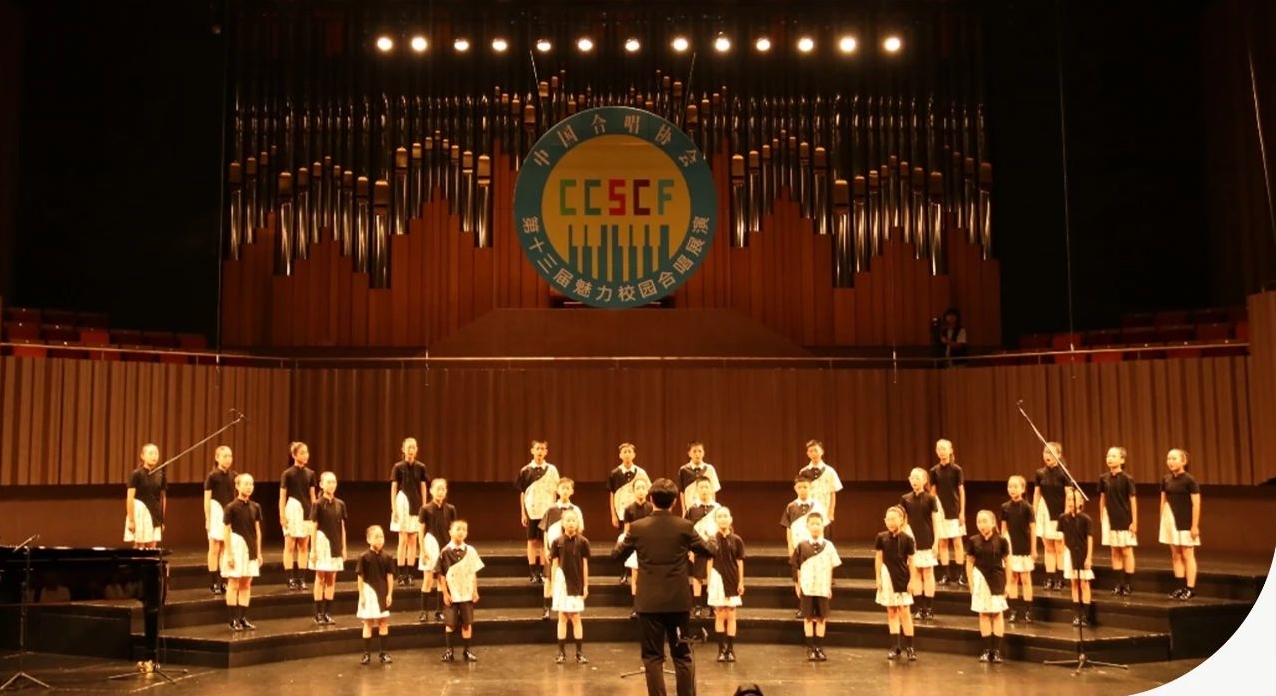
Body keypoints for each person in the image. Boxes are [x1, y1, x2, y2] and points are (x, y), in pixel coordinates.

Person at [612, 478, 716, 696]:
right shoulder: (685, 526)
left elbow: (616, 555)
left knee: (652, 657)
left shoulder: (638, 528)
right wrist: (713, 538)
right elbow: (708, 550)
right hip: (678, 601)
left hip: (649, 602)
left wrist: (624, 540)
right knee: (682, 656)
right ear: (675, 501)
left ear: (651, 499)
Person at [791, 511, 841, 661]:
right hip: (807, 587)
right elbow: (797, 567)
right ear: (807, 526)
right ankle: (810, 648)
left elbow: (831, 566)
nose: (815, 527)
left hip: (822, 587)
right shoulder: (802, 545)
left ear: (822, 526)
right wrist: (798, 585)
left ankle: (819, 647)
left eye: (818, 524)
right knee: (807, 618)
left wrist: (829, 586)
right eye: (812, 524)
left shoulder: (829, 546)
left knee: (821, 618)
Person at [875, 505, 918, 661]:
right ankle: (895, 646)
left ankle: (910, 648)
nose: (891, 522)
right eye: (888, 519)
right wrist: (878, 578)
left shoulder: (908, 539)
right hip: (887, 575)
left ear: (901, 519)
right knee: (892, 612)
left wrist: (912, 580)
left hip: (902, 576)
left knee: (905, 612)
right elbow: (878, 559)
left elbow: (912, 562)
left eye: (893, 519)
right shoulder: (881, 537)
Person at [966, 509, 1009, 663]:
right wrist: (971, 584)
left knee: (997, 614)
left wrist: (1008, 584)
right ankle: (986, 650)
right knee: (983, 614)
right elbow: (969, 563)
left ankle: (996, 651)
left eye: (985, 521)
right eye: (979, 521)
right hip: (980, 579)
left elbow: (1008, 562)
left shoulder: (1001, 541)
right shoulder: (973, 541)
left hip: (997, 579)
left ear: (992, 522)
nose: (982, 525)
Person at [548, 508, 591, 664]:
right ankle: (561, 653)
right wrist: (552, 586)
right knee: (562, 617)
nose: (571, 523)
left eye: (573, 520)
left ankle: (579, 653)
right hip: (561, 583)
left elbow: (585, 565)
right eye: (568, 520)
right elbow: (554, 565)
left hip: (577, 582)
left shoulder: (583, 542)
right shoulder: (557, 542)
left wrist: (585, 585)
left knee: (576, 617)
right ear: (563, 523)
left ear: (577, 522)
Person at [438, 519, 484, 663]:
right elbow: (441, 575)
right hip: (452, 593)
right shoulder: (445, 552)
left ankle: (467, 651)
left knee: (467, 622)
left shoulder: (471, 551)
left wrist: (475, 590)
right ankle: (449, 651)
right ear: (450, 532)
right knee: (450, 623)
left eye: (464, 529)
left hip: (466, 593)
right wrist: (445, 593)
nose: (461, 532)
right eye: (458, 529)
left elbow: (473, 572)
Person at [221, 473, 263, 631]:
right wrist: (229, 554)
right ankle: (233, 619)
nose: (249, 487)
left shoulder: (255, 507)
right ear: (237, 486)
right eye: (246, 484)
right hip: (236, 546)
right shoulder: (231, 507)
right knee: (234, 583)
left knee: (246, 583)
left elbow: (257, 531)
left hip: (251, 547)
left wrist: (259, 552)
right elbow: (226, 531)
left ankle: (243, 617)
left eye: (251, 484)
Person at [539, 477, 585, 620]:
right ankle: (546, 608)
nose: (565, 491)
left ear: (572, 491)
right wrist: (546, 549)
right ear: (557, 490)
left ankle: (570, 607)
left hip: (570, 549)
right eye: (562, 488)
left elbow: (580, 529)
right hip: (554, 548)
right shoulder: (551, 510)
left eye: (567, 488)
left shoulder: (575, 510)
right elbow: (545, 531)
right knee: (549, 577)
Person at [899, 468, 941, 620]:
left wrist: (936, 542)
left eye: (918, 478)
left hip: (927, 539)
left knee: (928, 573)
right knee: (915, 573)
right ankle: (918, 608)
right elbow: (902, 521)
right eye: (912, 478)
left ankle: (928, 608)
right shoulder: (905, 499)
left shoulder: (930, 499)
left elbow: (936, 522)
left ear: (924, 480)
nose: (914, 481)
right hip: (912, 540)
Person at [1160, 448, 1201, 600]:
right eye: (1169, 458)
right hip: (1170, 521)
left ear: (1184, 461)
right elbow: (1163, 501)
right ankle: (1180, 587)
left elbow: (1196, 504)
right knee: (1176, 555)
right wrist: (1163, 521)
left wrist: (1194, 526)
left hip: (1185, 521)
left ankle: (1190, 588)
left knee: (1187, 554)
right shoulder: (1166, 479)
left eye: (1174, 458)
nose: (1170, 461)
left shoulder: (1189, 480)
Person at [516, 439, 559, 584]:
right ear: (532, 451)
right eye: (537, 448)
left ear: (546, 452)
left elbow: (555, 491)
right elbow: (523, 493)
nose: (540, 451)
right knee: (532, 541)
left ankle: (542, 571)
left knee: (543, 541)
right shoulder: (525, 470)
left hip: (547, 511)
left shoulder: (552, 470)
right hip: (532, 511)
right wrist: (523, 513)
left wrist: (554, 511)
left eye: (542, 449)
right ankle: (533, 572)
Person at [706, 506, 745, 663]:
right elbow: (709, 561)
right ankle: (721, 650)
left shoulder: (737, 540)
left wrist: (741, 581)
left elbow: (739, 561)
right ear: (716, 520)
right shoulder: (712, 540)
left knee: (731, 614)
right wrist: (709, 582)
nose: (723, 519)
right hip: (717, 578)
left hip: (732, 578)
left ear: (730, 519)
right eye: (720, 516)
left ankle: (730, 649)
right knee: (720, 614)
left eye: (725, 516)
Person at [390, 437, 430, 587]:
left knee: (413, 539)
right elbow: (394, 488)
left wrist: (424, 506)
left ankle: (410, 574)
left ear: (417, 449)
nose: (411, 450)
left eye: (413, 447)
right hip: (402, 502)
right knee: (403, 540)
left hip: (416, 503)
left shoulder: (421, 467)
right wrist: (394, 509)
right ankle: (401, 574)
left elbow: (423, 487)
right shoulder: (398, 467)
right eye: (408, 447)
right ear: (403, 449)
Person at [1098, 446, 1138, 595]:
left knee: (1126, 551)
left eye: (1114, 456)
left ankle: (1128, 584)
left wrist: (1134, 521)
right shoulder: (1104, 478)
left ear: (1122, 459)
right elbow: (1102, 498)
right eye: (1108, 456)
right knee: (1114, 551)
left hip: (1124, 517)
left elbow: (1133, 501)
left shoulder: (1127, 478)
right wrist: (1102, 516)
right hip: (1110, 517)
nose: (1110, 458)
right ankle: (1119, 583)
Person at [309, 471, 347, 626]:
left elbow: (342, 527)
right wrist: (313, 549)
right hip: (322, 542)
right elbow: (313, 527)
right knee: (320, 578)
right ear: (321, 484)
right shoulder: (317, 504)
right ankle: (318, 613)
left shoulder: (340, 504)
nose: (331, 485)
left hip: (335, 544)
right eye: (328, 482)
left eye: (334, 482)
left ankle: (327, 613)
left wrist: (344, 547)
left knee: (331, 578)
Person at [609, 442, 650, 583]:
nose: (627, 454)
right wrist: (613, 514)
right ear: (620, 455)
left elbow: (648, 490)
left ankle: (641, 572)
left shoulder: (641, 472)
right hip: (623, 513)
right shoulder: (615, 473)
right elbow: (612, 495)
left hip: (639, 512)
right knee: (625, 543)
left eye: (629, 452)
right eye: (624, 452)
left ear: (634, 454)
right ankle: (624, 573)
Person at [417, 478, 457, 623]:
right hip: (430, 544)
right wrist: (422, 551)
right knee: (428, 579)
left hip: (445, 545)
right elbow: (421, 531)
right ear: (431, 491)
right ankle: (423, 611)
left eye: (443, 489)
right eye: (437, 489)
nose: (440, 492)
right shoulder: (425, 509)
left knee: (442, 579)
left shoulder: (450, 509)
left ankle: (439, 611)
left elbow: (453, 528)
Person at [280, 442, 318, 591]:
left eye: (306, 452)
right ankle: (290, 578)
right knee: (290, 545)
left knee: (303, 546)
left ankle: (301, 578)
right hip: (292, 509)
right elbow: (282, 496)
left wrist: (315, 513)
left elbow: (313, 495)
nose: (305, 455)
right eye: (302, 453)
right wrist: (282, 515)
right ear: (294, 455)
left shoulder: (310, 474)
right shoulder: (287, 474)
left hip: (307, 511)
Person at [929, 438, 966, 586]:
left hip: (954, 509)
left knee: (957, 542)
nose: (941, 452)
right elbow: (933, 492)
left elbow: (961, 491)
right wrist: (932, 511)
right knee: (943, 543)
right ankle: (946, 574)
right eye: (939, 449)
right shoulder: (934, 471)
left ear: (950, 450)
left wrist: (962, 512)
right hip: (940, 510)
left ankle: (960, 574)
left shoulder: (957, 469)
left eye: (944, 448)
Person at [1000, 475, 1037, 623]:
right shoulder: (1005, 507)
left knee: (1026, 579)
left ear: (1023, 489)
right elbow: (1003, 529)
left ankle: (1028, 611)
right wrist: (1002, 548)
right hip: (1011, 546)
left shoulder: (1027, 507)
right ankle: (1013, 610)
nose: (1012, 489)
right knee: (1012, 578)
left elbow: (1033, 529)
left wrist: (1033, 549)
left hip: (1024, 546)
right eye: (1010, 486)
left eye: (1015, 486)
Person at [356, 525, 395, 665]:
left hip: (382, 593)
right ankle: (366, 654)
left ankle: (383, 653)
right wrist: (361, 595)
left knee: (383, 622)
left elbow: (390, 577)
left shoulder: (387, 557)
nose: (379, 539)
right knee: (368, 622)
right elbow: (360, 577)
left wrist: (389, 594)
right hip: (369, 592)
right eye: (376, 537)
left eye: (381, 536)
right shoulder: (364, 557)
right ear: (368, 539)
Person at [1033, 442, 1069, 590]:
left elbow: (1068, 495)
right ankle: (1050, 578)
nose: (1047, 455)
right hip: (1045, 512)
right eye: (1045, 452)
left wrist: (1066, 514)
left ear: (1059, 455)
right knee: (1048, 548)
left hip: (1060, 512)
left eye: (1050, 452)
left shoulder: (1064, 473)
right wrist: (1034, 514)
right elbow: (1037, 494)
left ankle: (1060, 578)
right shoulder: (1040, 473)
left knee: (1059, 548)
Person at [1057, 487, 1095, 626]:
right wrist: (1062, 552)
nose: (1070, 502)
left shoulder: (1085, 519)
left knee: (1084, 584)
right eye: (1068, 499)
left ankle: (1086, 615)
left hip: (1082, 553)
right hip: (1069, 553)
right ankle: (1076, 614)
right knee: (1074, 583)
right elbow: (1062, 536)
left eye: (1073, 499)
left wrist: (1089, 557)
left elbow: (1089, 538)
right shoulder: (1063, 518)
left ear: (1080, 502)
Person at [685, 477, 720, 619]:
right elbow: (687, 530)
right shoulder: (692, 509)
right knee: (697, 577)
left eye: (707, 487)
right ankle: (697, 606)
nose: (704, 490)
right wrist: (689, 550)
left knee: (712, 578)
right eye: (701, 487)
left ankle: (712, 606)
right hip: (697, 547)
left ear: (711, 489)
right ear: (697, 490)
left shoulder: (717, 508)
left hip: (713, 548)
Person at [203, 445, 236, 595]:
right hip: (216, 511)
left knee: (225, 547)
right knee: (214, 548)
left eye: (230, 456)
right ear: (217, 458)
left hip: (228, 512)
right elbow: (207, 499)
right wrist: (208, 518)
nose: (228, 459)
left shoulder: (234, 476)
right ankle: (214, 582)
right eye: (224, 456)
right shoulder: (212, 476)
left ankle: (223, 580)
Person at [622, 477, 656, 618]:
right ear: (633, 491)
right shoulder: (629, 509)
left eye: (643, 488)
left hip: (649, 546)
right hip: (635, 545)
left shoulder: (651, 508)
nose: (641, 490)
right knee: (635, 576)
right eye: (638, 488)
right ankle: (636, 607)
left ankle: (650, 605)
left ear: (647, 491)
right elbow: (627, 530)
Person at [124, 443, 166, 550]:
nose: (154, 456)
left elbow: (163, 498)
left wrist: (162, 520)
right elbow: (130, 498)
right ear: (142, 456)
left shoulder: (161, 474)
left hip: (155, 513)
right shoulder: (136, 474)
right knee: (139, 548)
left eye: (156, 453)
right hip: (140, 512)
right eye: (150, 453)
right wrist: (131, 520)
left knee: (152, 547)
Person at [797, 440, 844, 527]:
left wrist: (831, 512)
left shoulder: (830, 471)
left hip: (824, 509)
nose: (813, 453)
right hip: (808, 509)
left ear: (822, 452)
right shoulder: (803, 472)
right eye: (811, 451)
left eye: (816, 450)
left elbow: (832, 493)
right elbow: (800, 492)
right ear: (807, 454)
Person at [677, 442, 721, 515]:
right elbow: (682, 491)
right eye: (694, 451)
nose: (697, 454)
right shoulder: (683, 470)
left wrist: (712, 508)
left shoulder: (709, 469)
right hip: (690, 508)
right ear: (689, 454)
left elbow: (713, 490)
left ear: (703, 453)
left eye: (700, 451)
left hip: (707, 508)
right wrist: (684, 510)